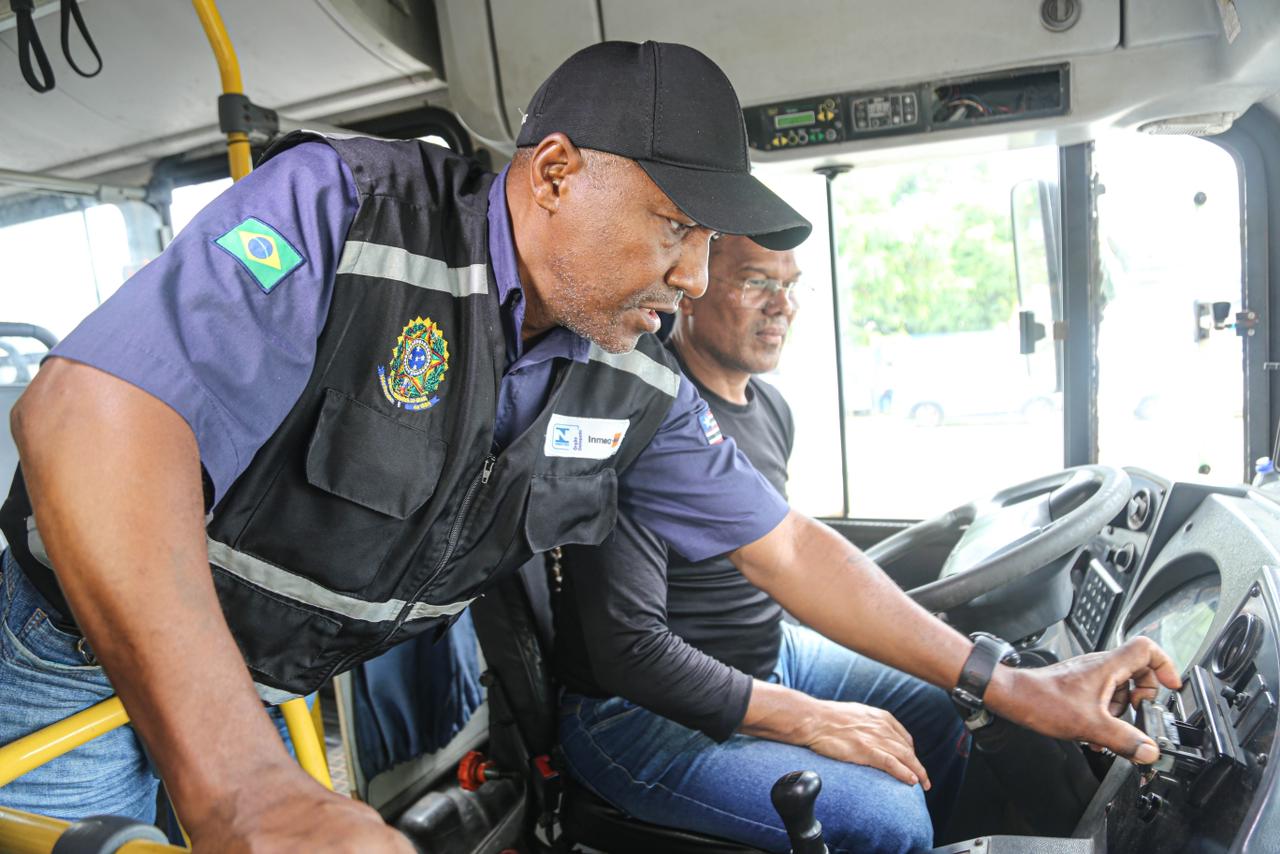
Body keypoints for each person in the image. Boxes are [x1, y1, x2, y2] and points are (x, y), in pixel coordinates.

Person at [0, 40, 1176, 854]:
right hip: (67, 664)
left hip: (266, 673)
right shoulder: (345, 211)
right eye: (676, 226)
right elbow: (88, 413)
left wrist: (1007, 679)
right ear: (555, 172)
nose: (696, 277)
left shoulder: (625, 373)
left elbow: (788, 546)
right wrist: (240, 780)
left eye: (710, 242)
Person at [555, 236, 965, 853]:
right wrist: (812, 717)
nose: (782, 306)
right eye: (755, 282)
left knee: (948, 702)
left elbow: (786, 555)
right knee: (890, 817)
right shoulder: (643, 408)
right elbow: (630, 652)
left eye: (789, 285)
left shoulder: (771, 408)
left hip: (770, 655)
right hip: (639, 712)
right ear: (689, 290)